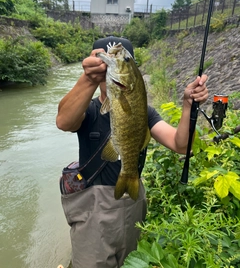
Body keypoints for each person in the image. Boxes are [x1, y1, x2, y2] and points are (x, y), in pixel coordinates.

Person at [56, 36, 208, 268]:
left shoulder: (143, 110)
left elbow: (180, 145)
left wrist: (188, 104)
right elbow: (64, 121)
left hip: (132, 202)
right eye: (105, 63)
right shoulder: (89, 108)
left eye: (123, 62)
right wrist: (88, 81)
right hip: (94, 207)